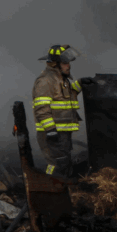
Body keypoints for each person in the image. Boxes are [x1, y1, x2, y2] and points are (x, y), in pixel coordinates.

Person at [33, 44, 83, 177]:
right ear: (55, 64)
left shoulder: (61, 79)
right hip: (52, 134)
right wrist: (50, 130)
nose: (69, 65)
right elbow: (41, 108)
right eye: (65, 63)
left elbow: (66, 99)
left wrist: (81, 84)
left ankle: (62, 190)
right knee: (55, 165)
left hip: (61, 132)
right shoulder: (45, 81)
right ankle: (48, 187)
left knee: (64, 163)